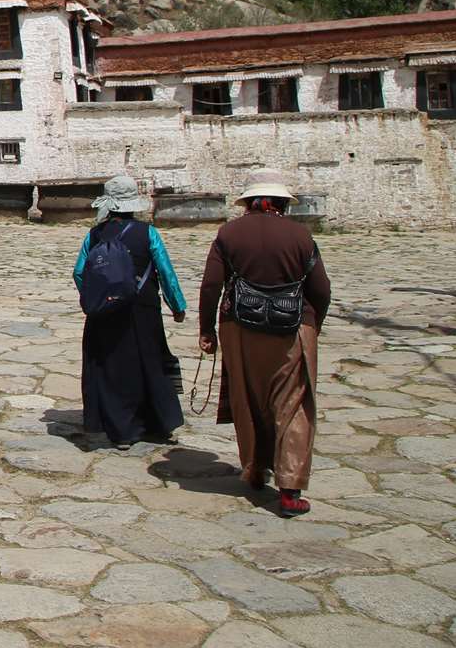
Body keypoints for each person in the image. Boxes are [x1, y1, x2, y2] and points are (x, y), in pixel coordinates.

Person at [199, 169, 330, 518]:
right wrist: (315, 324)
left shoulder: (229, 233)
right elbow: (321, 288)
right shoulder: (301, 236)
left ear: (249, 203)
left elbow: (211, 285)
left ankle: (255, 468)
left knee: (247, 399)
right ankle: (289, 490)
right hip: (292, 328)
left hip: (239, 328)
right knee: (293, 403)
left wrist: (207, 329)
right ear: (282, 204)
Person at [72, 174, 187, 449]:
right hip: (142, 309)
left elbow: (79, 272)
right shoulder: (147, 233)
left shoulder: (95, 234)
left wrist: (98, 298)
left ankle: (121, 430)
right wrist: (177, 305)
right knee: (148, 364)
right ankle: (155, 424)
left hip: (104, 313)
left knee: (110, 367)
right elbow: (165, 272)